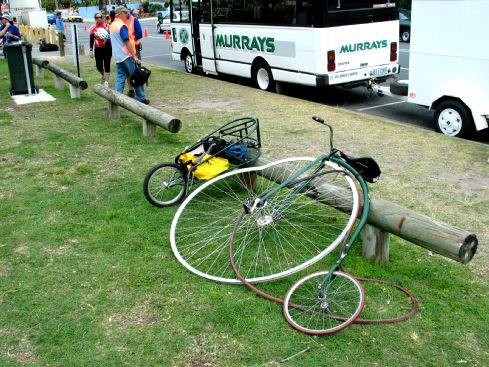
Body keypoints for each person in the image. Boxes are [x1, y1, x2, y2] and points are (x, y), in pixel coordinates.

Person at [110, 6, 149, 104]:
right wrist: (134, 55)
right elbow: (126, 41)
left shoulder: (112, 25)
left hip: (118, 57)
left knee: (120, 77)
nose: (127, 14)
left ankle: (116, 99)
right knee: (136, 76)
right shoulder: (121, 26)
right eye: (125, 12)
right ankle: (141, 98)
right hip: (127, 55)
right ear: (120, 14)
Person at [89, 12, 112, 86]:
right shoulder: (93, 28)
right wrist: (91, 50)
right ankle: (103, 75)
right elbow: (91, 39)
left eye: (100, 17)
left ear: (102, 18)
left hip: (107, 48)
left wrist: (107, 33)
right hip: (98, 49)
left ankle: (106, 82)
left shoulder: (107, 26)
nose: (98, 19)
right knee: (99, 66)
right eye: (97, 17)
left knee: (107, 64)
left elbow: (111, 37)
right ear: (95, 19)